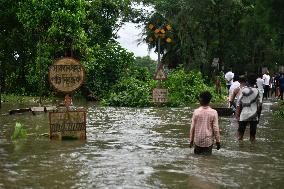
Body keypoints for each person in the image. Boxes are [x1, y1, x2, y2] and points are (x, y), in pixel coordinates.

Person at [235, 74, 262, 142]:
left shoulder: (243, 90)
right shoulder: (258, 91)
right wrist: (258, 117)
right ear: (255, 82)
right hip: (254, 116)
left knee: (240, 137)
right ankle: (252, 150)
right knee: (252, 138)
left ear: (247, 81)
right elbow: (260, 106)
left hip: (244, 115)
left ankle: (240, 150)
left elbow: (239, 103)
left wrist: (237, 115)